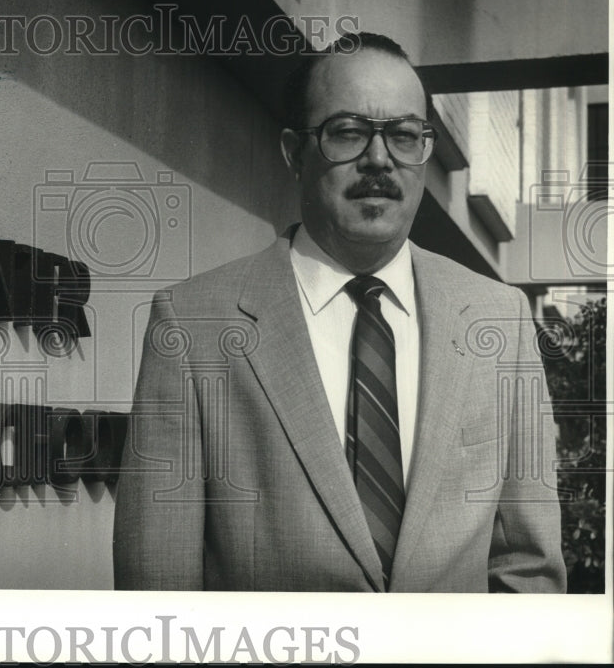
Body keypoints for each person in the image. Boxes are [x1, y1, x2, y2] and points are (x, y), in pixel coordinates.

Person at [112, 32, 566, 592]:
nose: (379, 159)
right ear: (294, 152)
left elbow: (528, 568)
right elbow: (158, 586)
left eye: (403, 135)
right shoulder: (191, 324)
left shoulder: (501, 319)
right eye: (347, 132)